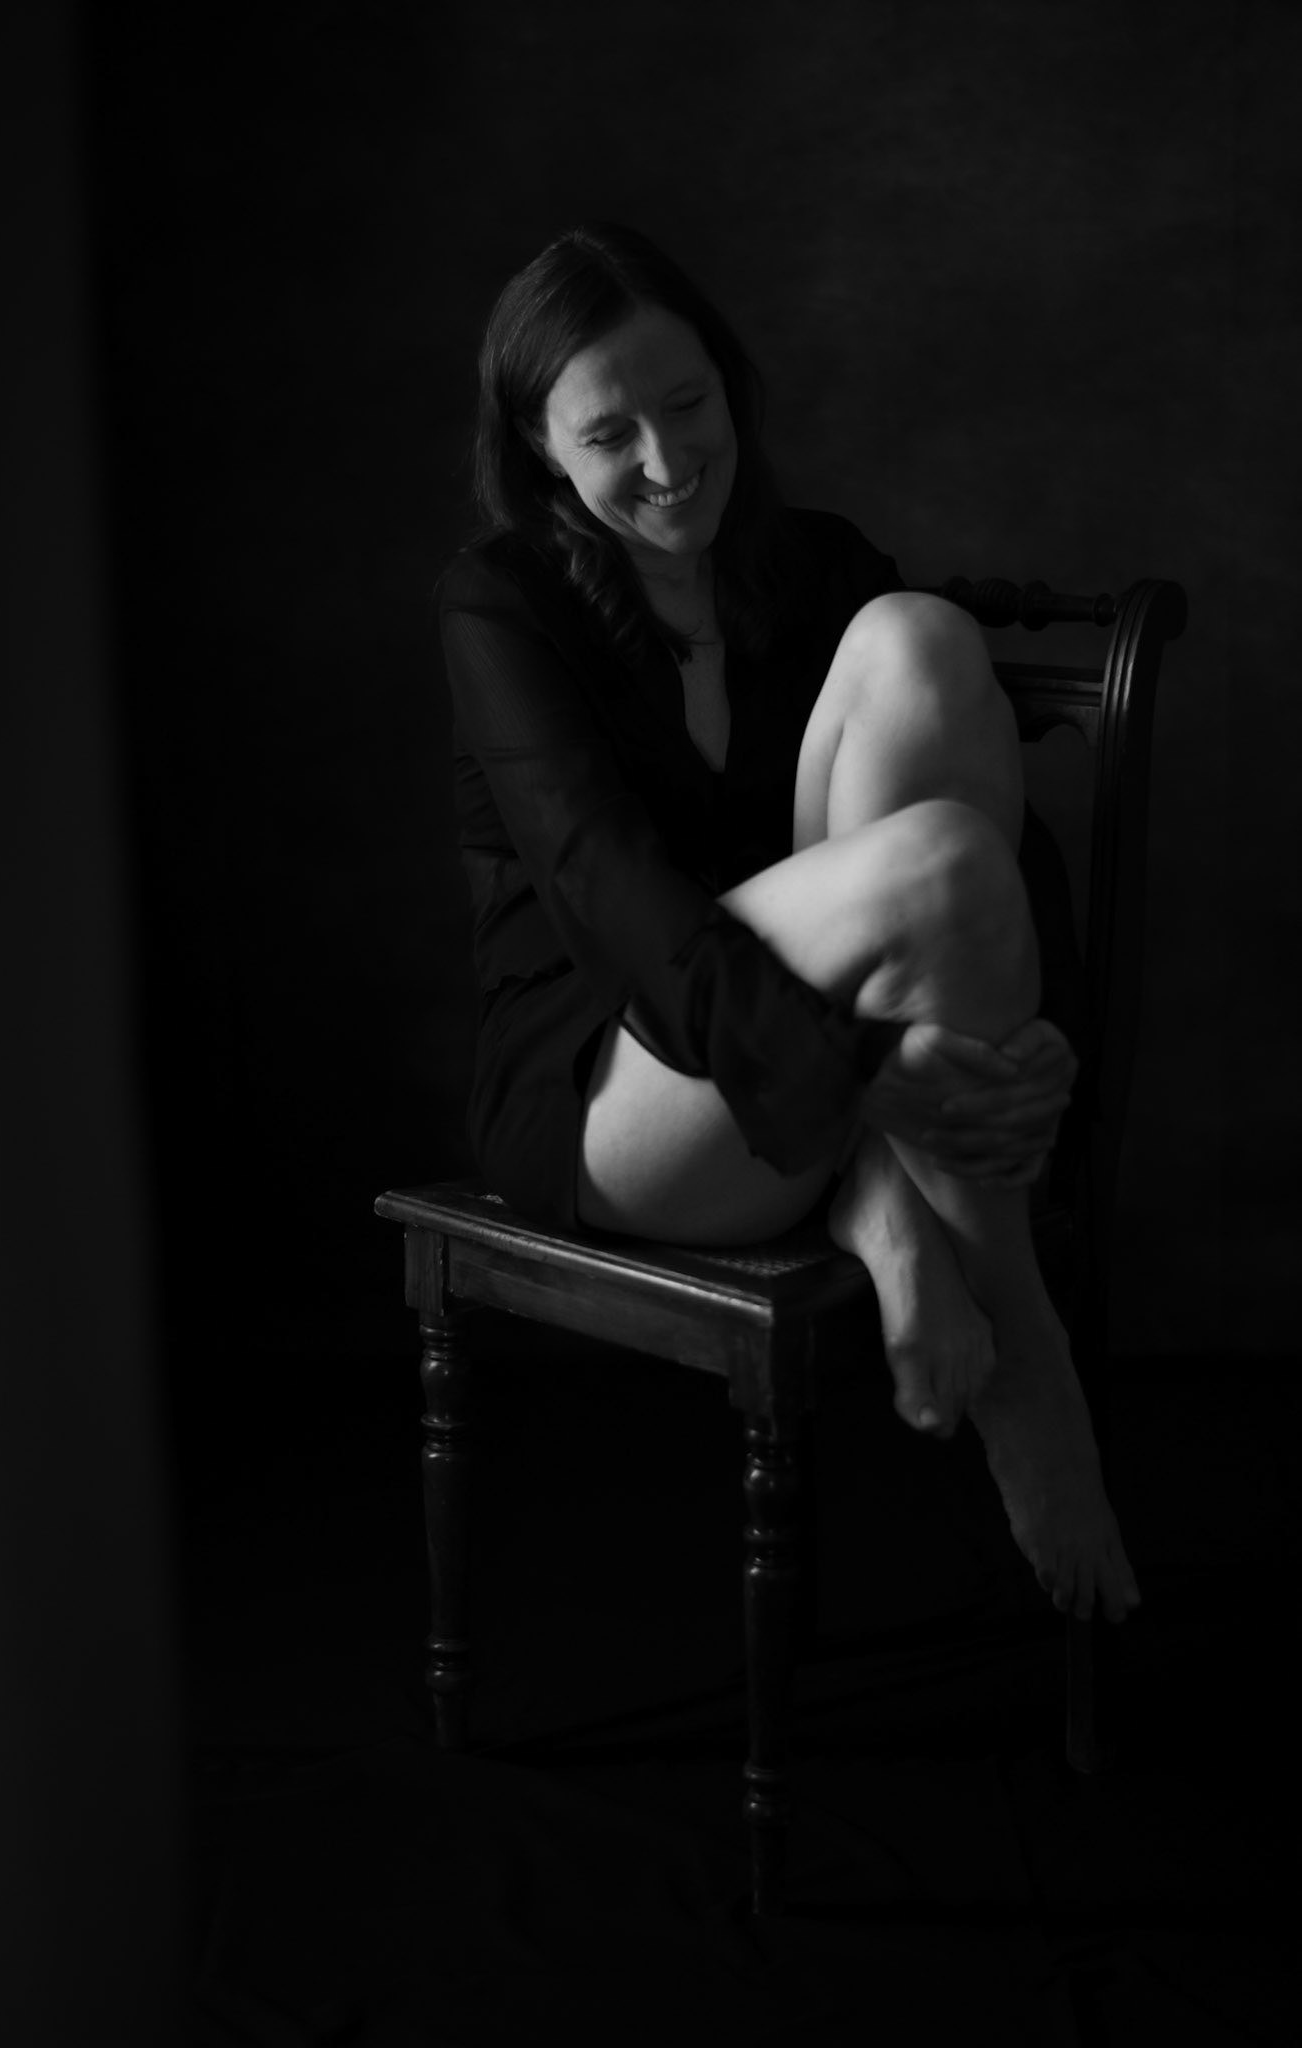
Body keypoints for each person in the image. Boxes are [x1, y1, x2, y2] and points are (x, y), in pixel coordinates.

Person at [439, 221, 1140, 1627]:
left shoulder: (812, 569)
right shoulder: (500, 604)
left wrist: (1033, 1028)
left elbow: (1003, 847)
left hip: (810, 1068)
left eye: (687, 402)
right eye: (608, 434)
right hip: (614, 1086)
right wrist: (869, 1068)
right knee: (934, 862)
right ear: (539, 454)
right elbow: (612, 904)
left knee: (920, 638)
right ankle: (1022, 1346)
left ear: (730, 384)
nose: (665, 459)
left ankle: (882, 1192)